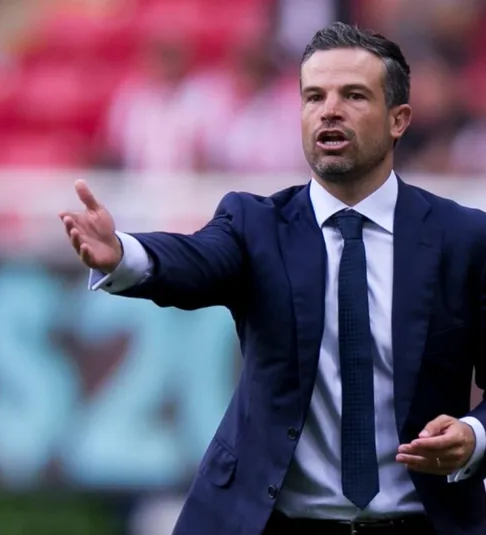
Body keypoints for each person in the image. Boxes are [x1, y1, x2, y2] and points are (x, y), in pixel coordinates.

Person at [59, 22, 486, 535]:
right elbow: (196, 261)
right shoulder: (254, 224)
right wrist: (124, 253)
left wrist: (474, 435)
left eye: (353, 95)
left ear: (399, 120)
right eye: (314, 97)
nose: (329, 110)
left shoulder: (464, 237)